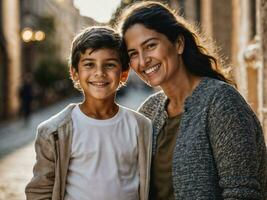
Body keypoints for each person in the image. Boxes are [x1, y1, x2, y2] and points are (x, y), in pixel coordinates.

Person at [117, 1, 267, 199]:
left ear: (178, 43)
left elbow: (242, 193)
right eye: (133, 54)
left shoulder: (221, 102)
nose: (143, 61)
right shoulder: (148, 111)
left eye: (151, 45)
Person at [25, 26, 152, 200]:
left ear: (123, 73)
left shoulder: (141, 126)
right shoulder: (54, 131)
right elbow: (40, 191)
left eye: (109, 64)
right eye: (89, 64)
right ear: (75, 73)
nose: (99, 73)